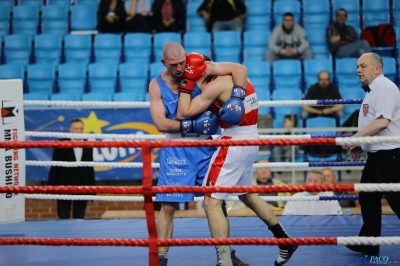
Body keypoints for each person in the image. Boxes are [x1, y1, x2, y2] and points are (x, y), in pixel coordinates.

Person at [177, 53, 298, 266]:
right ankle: (284, 239)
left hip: (234, 143)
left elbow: (183, 113)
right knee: (247, 195)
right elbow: (241, 68)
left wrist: (186, 86)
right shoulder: (238, 75)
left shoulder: (215, 86)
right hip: (252, 139)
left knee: (211, 201)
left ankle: (224, 261)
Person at [149, 43, 249, 266]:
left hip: (206, 150)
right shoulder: (156, 85)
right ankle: (161, 259)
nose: (179, 68)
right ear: (164, 63)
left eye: (182, 62)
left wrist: (237, 98)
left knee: (217, 202)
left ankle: (227, 256)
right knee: (167, 206)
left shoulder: (200, 70)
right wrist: (191, 126)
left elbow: (239, 69)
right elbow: (159, 123)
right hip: (176, 152)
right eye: (173, 65)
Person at [342, 52, 400, 256]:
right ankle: (369, 243)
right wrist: (363, 142)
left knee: (397, 201)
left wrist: (356, 138)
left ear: (377, 68)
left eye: (363, 66)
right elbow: (374, 123)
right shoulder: (372, 91)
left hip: (390, 156)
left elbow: (383, 122)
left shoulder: (385, 87)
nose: (358, 70)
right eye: (357, 66)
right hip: (376, 155)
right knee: (367, 199)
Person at [48, 118, 95, 219]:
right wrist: (51, 188)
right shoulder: (61, 144)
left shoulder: (88, 146)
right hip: (64, 187)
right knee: (63, 219)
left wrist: (92, 191)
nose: (78, 131)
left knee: (79, 220)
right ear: (70, 130)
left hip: (82, 188)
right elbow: (55, 166)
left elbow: (90, 169)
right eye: (76, 129)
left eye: (81, 129)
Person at [227, 159, 291, 211]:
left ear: (270, 170)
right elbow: (235, 206)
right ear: (255, 170)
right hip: (254, 215)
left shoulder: (280, 184)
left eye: (266, 167)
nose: (263, 170)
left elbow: (290, 202)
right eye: (260, 168)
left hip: (277, 213)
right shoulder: (247, 186)